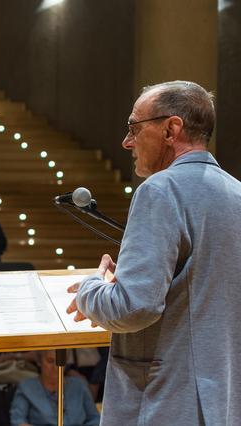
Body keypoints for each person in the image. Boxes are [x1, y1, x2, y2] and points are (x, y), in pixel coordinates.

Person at [66, 81, 239, 425]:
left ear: (171, 129)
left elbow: (134, 306)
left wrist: (90, 289)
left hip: (166, 402)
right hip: (225, 399)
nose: (127, 141)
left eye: (134, 127)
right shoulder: (236, 193)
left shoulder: (160, 190)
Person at [10, 351, 100, 426]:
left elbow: (95, 418)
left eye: (60, 362)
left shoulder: (79, 385)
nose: (56, 367)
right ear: (39, 362)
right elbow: (18, 420)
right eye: (50, 361)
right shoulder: (26, 387)